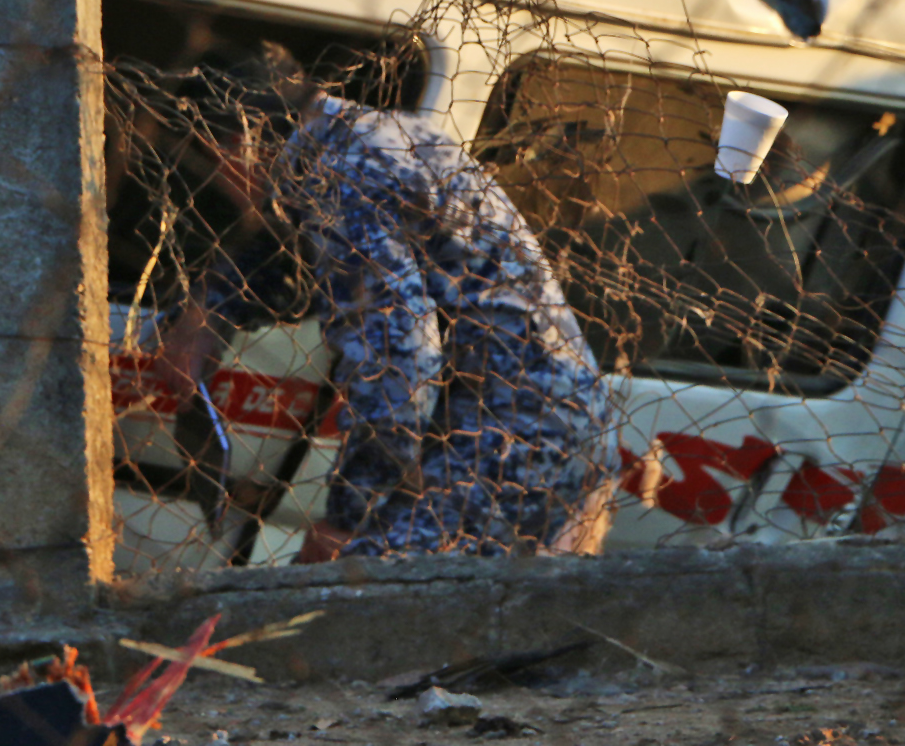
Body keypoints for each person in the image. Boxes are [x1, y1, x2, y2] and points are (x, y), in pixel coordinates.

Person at [161, 43, 618, 561]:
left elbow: (400, 356)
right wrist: (210, 310)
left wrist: (347, 518)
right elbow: (295, 260)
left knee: (339, 603)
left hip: (512, 438)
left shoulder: (342, 175)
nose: (221, 184)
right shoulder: (367, 137)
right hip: (547, 422)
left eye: (209, 161)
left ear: (237, 143)